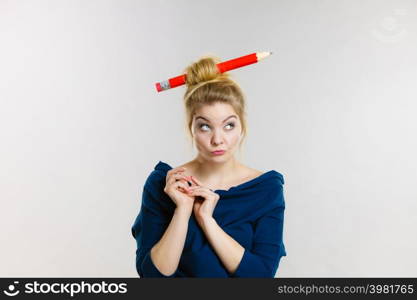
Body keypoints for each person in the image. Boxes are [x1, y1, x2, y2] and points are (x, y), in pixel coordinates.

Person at [131, 55, 287, 277]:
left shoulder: (266, 190)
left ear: (242, 127)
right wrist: (183, 211)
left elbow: (261, 277)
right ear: (191, 128)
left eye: (228, 125)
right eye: (205, 127)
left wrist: (206, 221)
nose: (217, 139)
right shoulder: (163, 184)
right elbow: (152, 277)